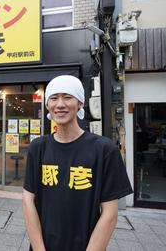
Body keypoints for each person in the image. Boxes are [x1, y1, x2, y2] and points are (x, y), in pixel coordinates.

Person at [23, 75, 133, 251]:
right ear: (47, 105)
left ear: (80, 103)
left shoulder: (104, 150)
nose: (60, 104)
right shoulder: (38, 147)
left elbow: (110, 214)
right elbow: (28, 201)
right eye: (53, 98)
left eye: (67, 97)